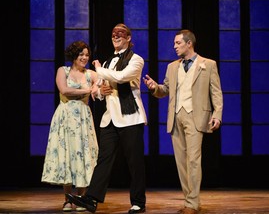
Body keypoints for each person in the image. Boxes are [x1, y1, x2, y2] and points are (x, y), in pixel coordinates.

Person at [66, 23, 147, 214]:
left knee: (134, 163)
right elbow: (98, 91)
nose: (116, 36)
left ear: (128, 38)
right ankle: (91, 199)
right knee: (103, 160)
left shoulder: (136, 60)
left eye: (121, 34)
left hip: (130, 118)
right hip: (109, 118)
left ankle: (138, 202)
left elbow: (122, 77)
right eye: (113, 34)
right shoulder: (109, 62)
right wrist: (100, 91)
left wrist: (98, 69)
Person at [143, 29, 223, 214]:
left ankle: (193, 203)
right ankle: (189, 200)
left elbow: (216, 92)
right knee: (181, 162)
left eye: (178, 43)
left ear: (189, 43)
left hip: (196, 117)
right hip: (176, 117)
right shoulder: (172, 66)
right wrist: (155, 88)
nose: (174, 46)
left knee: (193, 160)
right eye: (174, 43)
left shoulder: (208, 64)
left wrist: (217, 114)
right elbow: (165, 90)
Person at [41, 40, 100, 212]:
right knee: (65, 155)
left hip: (83, 118)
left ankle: (81, 198)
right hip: (65, 116)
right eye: (81, 54)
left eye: (87, 55)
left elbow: (101, 83)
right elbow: (64, 90)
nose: (84, 57)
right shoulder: (63, 71)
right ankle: (68, 198)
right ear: (74, 55)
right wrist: (87, 91)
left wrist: (96, 84)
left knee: (83, 155)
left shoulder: (91, 74)